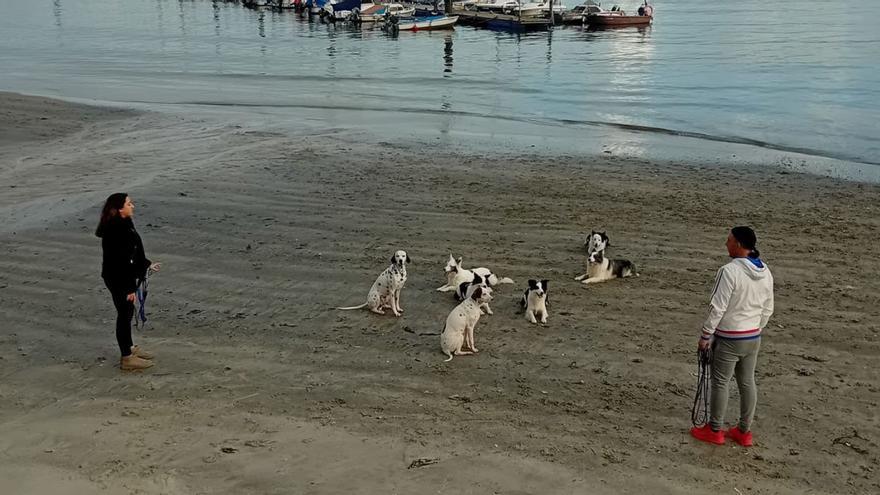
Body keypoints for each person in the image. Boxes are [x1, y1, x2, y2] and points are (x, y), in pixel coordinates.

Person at [690, 226, 774, 447]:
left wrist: (705, 335)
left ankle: (715, 429)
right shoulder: (765, 271)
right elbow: (768, 308)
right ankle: (744, 431)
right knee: (747, 382)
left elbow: (717, 307)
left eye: (728, 240)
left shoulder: (728, 271)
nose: (725, 243)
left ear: (738, 244)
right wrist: (756, 327)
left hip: (730, 337)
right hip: (753, 336)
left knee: (720, 382)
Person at [95, 193, 161, 370]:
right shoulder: (115, 231)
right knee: (124, 316)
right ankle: (127, 358)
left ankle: (130, 348)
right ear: (119, 209)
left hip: (123, 277)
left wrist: (147, 265)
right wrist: (129, 289)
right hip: (118, 279)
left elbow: (134, 252)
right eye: (129, 203)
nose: (133, 206)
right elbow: (120, 262)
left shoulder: (124, 223)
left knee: (127, 313)